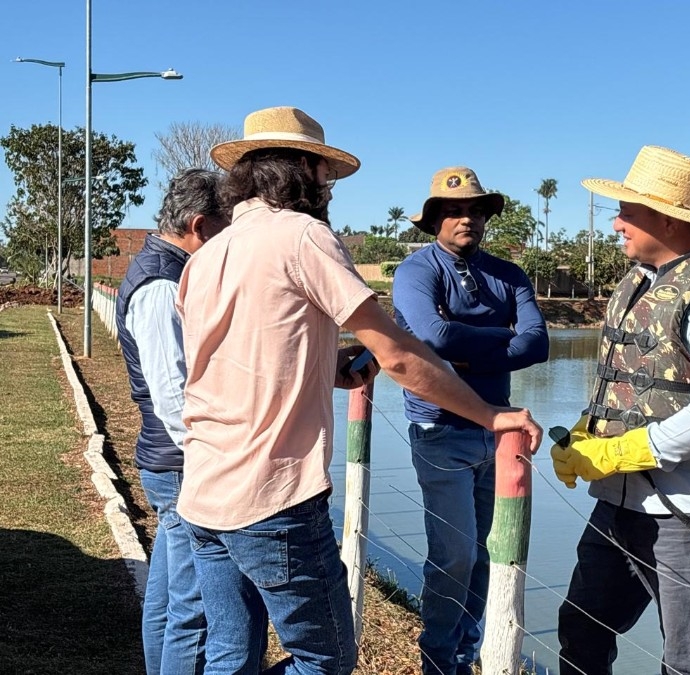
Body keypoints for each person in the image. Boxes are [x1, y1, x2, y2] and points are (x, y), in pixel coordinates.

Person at [174, 107, 543, 675]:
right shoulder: (303, 236)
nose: (329, 188)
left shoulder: (207, 257)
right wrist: (492, 416)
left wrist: (324, 365)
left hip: (203, 487)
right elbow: (400, 355)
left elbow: (232, 359)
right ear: (302, 169)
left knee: (231, 654)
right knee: (324, 660)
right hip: (271, 494)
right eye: (326, 174)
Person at [551, 146, 690, 675]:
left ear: (669, 219)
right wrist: (587, 433)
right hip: (616, 504)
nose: (616, 224)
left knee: (686, 659)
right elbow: (624, 386)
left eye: (627, 212)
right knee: (580, 632)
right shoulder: (637, 283)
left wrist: (620, 452)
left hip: (685, 511)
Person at [392, 166, 550, 675]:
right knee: (454, 554)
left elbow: (538, 344)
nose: (467, 219)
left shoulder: (509, 274)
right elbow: (432, 336)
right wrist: (503, 340)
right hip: (440, 430)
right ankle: (437, 658)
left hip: (498, 433)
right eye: (454, 211)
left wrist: (463, 351)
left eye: (476, 211)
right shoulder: (417, 272)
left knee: (483, 556)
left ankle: (463, 654)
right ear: (434, 219)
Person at [114, 169, 230, 674]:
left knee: (166, 599)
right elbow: (171, 392)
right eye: (225, 230)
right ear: (200, 226)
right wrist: (210, 456)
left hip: (172, 459)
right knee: (193, 609)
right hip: (183, 462)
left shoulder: (164, 270)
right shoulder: (162, 284)